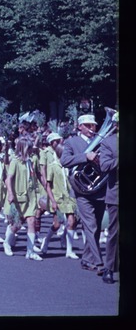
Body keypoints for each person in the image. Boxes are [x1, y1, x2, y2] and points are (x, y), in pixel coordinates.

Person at [60, 114, 107, 274]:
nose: (91, 129)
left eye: (93, 125)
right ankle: (99, 262)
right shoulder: (72, 142)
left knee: (96, 227)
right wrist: (85, 157)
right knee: (91, 226)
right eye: (87, 125)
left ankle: (87, 259)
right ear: (79, 127)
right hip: (82, 191)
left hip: (99, 189)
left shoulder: (102, 141)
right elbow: (64, 161)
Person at [97, 112, 118, 284]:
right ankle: (109, 268)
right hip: (117, 194)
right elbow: (104, 166)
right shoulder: (108, 142)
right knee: (114, 233)